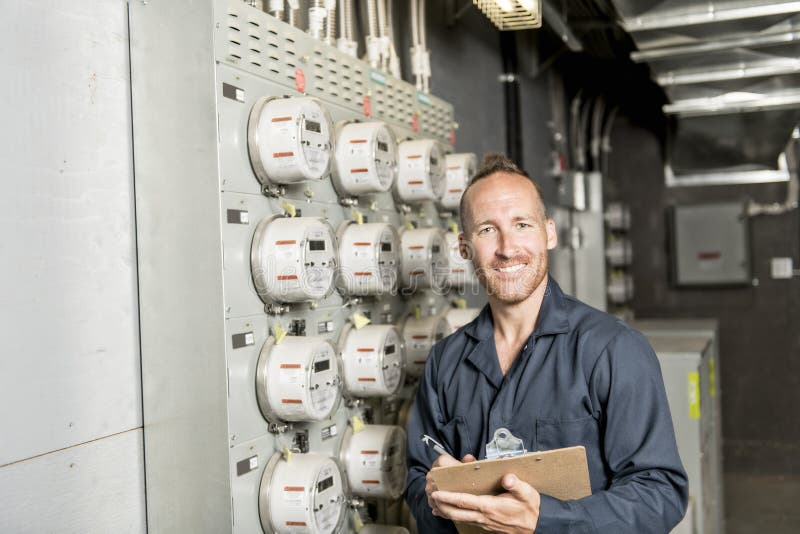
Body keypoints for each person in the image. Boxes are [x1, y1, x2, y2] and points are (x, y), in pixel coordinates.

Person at [405, 154, 688, 533]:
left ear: (549, 233)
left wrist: (544, 520)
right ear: (464, 247)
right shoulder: (445, 362)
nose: (507, 248)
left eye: (522, 224)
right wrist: (441, 500)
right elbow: (417, 481)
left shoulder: (612, 350)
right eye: (488, 230)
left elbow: (661, 493)